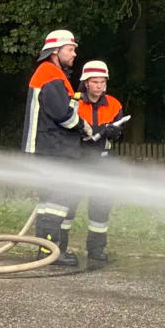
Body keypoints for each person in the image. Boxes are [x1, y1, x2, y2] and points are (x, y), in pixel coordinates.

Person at [23, 29, 92, 266]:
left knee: (50, 202)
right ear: (55, 51)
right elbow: (63, 114)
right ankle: (52, 251)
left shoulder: (51, 74)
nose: (74, 54)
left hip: (50, 148)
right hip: (52, 149)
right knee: (57, 200)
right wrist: (85, 127)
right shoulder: (51, 75)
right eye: (70, 49)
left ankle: (48, 250)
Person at [72, 60, 125, 266]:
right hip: (77, 160)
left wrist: (115, 132)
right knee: (69, 205)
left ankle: (96, 250)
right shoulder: (74, 102)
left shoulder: (114, 104)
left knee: (101, 206)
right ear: (85, 83)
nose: (99, 86)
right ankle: (60, 248)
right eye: (94, 82)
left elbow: (119, 134)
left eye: (102, 82)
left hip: (102, 161)